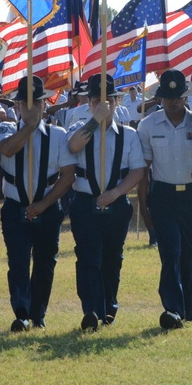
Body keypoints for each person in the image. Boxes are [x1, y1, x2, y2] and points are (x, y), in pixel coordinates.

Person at [137, 69, 192, 329]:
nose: (173, 101)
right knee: (170, 251)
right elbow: (143, 172)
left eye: (178, 96)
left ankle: (189, 310)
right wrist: (143, 208)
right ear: (160, 98)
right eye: (167, 96)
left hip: (190, 197)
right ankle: (172, 309)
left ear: (186, 98)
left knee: (188, 253)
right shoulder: (148, 126)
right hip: (162, 196)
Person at [0, 75, 75, 332]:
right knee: (17, 262)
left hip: (48, 208)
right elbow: (6, 150)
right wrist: (28, 127)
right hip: (15, 206)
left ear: (43, 105)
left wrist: (44, 204)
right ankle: (22, 313)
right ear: (17, 106)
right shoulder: (5, 129)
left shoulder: (58, 135)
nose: (30, 109)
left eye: (35, 104)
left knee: (44, 262)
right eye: (24, 104)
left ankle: (38, 315)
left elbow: (68, 175)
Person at [66, 73, 146, 330]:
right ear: (88, 103)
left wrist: (117, 192)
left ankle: (108, 307)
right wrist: (94, 121)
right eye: (96, 101)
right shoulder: (78, 128)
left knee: (112, 258)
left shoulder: (129, 134)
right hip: (85, 203)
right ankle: (91, 309)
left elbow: (137, 171)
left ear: (117, 101)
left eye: (108, 101)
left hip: (116, 202)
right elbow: (73, 147)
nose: (103, 105)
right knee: (88, 257)